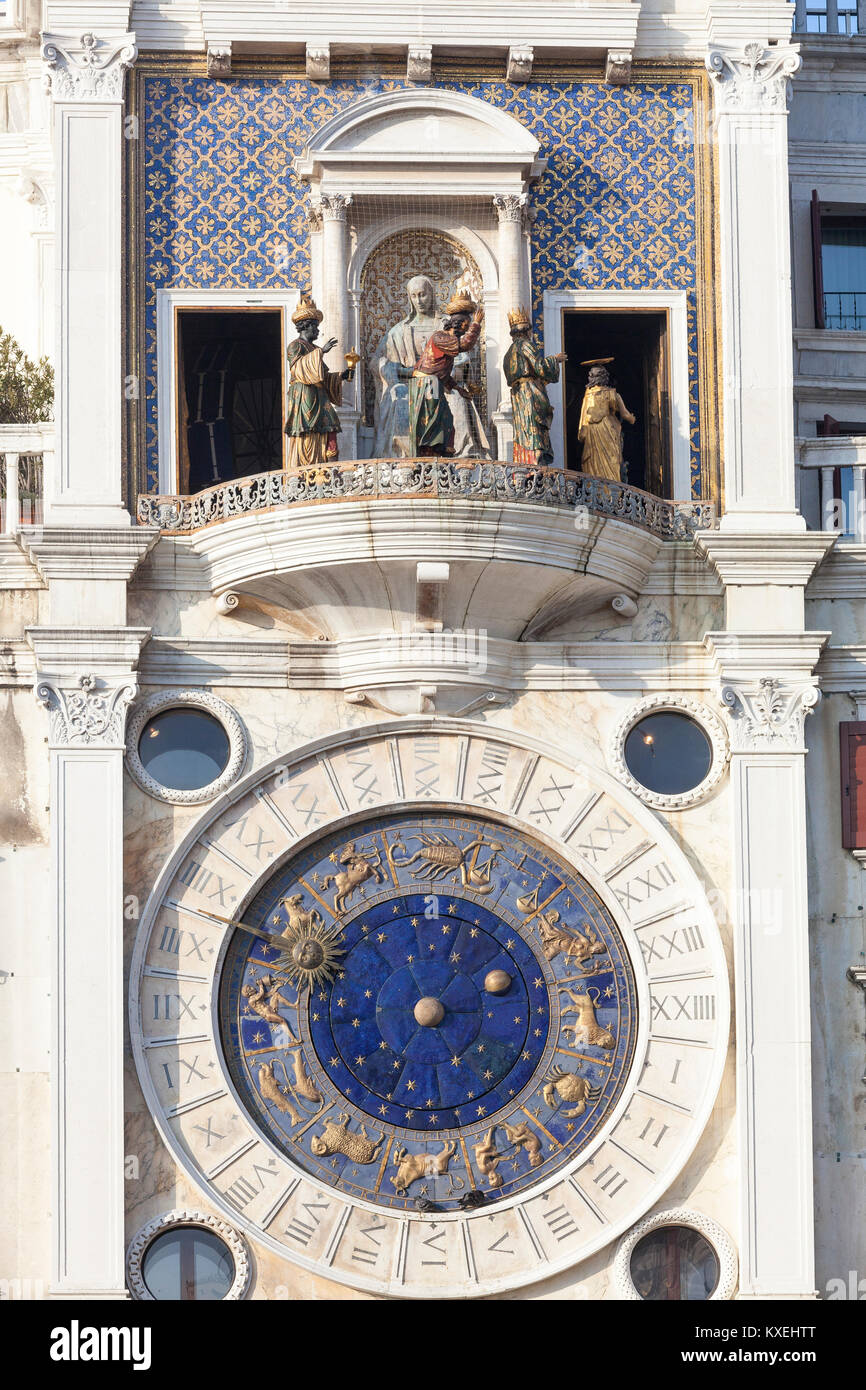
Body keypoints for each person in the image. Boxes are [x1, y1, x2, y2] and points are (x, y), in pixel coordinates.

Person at [402, 289, 484, 457]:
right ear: (460, 324)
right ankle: (428, 458)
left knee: (446, 422)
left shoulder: (448, 342)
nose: (467, 329)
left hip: (434, 384)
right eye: (466, 326)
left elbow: (444, 374)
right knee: (431, 425)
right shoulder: (440, 337)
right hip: (426, 386)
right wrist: (476, 324)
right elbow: (465, 344)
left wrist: (460, 390)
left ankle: (441, 457)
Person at [284, 293, 351, 469]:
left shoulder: (313, 348)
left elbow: (322, 376)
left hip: (320, 396)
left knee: (330, 427)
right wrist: (321, 352)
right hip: (305, 395)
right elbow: (298, 369)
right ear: (306, 326)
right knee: (307, 429)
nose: (318, 331)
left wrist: (340, 376)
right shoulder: (295, 346)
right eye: (315, 327)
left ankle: (331, 469)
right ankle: (305, 469)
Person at [502, 306, 567, 468]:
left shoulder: (509, 352)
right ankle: (536, 463)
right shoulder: (526, 345)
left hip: (517, 393)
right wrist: (555, 359)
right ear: (527, 332)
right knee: (534, 427)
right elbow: (539, 367)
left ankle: (525, 462)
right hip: (530, 392)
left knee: (523, 429)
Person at [577, 358, 636, 482]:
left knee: (593, 462)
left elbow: (583, 416)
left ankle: (595, 491)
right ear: (605, 377)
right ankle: (610, 493)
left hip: (591, 432)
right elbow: (625, 414)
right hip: (607, 432)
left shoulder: (587, 395)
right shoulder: (612, 394)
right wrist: (632, 419)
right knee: (610, 462)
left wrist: (582, 433)